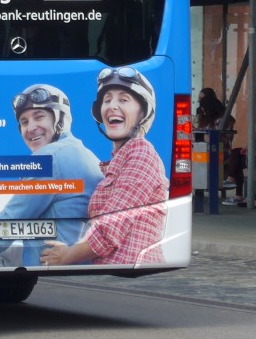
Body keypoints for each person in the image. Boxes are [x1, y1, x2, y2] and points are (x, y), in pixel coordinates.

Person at [0, 84, 103, 267]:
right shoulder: (90, 157)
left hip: (54, 278)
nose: (31, 127)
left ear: (60, 120)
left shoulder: (48, 158)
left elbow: (10, 222)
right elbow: (42, 230)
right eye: (24, 122)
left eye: (39, 117)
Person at [41, 66, 168, 267]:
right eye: (107, 100)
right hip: (116, 272)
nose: (112, 106)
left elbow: (110, 228)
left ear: (142, 112)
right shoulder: (116, 161)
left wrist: (67, 256)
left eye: (123, 100)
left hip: (131, 273)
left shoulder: (141, 154)